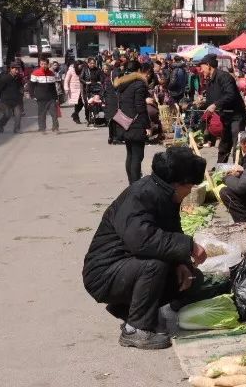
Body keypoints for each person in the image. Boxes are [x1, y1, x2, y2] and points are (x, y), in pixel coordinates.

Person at [82, 147, 211, 350]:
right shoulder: (141, 194)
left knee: (192, 278)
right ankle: (135, 329)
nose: (190, 191)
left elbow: (171, 230)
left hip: (127, 266)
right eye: (190, 186)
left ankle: (132, 309)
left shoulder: (164, 194)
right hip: (104, 273)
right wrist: (189, 246)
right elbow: (142, 241)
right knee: (155, 265)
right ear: (178, 184)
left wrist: (181, 262)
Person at [199, 54, 246, 163]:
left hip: (236, 115)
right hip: (224, 116)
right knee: (224, 145)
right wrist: (203, 103)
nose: (201, 71)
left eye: (202, 67)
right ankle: (220, 169)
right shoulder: (210, 80)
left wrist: (215, 105)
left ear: (208, 65)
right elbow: (212, 99)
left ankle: (238, 170)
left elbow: (230, 95)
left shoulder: (224, 76)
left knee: (237, 145)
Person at [113, 61, 152, 184]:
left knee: (130, 154)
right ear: (139, 71)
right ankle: (135, 184)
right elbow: (140, 107)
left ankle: (132, 183)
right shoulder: (139, 84)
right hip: (136, 123)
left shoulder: (122, 83)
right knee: (137, 156)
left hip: (124, 122)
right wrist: (147, 126)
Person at [30, 58, 59, 133]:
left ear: (48, 65)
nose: (43, 65)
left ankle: (55, 128)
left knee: (54, 114)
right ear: (40, 64)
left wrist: (56, 97)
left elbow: (53, 87)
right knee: (42, 114)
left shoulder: (51, 74)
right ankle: (42, 128)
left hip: (51, 97)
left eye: (45, 64)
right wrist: (32, 95)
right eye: (42, 64)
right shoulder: (35, 73)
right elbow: (31, 86)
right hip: (41, 98)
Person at [0, 62, 24, 133]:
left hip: (16, 100)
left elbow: (20, 87)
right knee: (8, 115)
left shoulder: (18, 78)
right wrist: (1, 97)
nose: (17, 71)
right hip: (6, 101)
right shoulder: (5, 78)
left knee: (18, 115)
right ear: (11, 69)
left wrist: (21, 91)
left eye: (18, 69)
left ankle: (16, 129)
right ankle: (0, 124)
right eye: (15, 69)